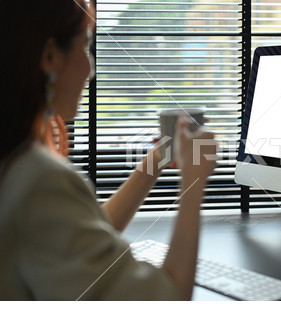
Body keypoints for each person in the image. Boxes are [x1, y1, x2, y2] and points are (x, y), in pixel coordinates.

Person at [0, 0, 217, 300]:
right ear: (50, 56)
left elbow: (82, 233)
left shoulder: (15, 161)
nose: (91, 70)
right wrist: (194, 183)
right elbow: (169, 300)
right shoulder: (39, 177)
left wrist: (154, 162)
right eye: (86, 46)